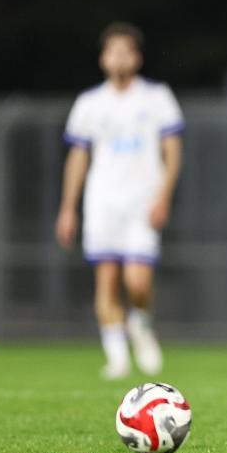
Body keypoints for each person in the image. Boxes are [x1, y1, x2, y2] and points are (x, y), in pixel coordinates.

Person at [55, 22, 184, 380]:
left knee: (138, 282)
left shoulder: (156, 97)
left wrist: (163, 195)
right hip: (102, 204)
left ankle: (140, 324)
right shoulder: (89, 103)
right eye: (113, 51)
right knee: (106, 281)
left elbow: (172, 151)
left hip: (142, 202)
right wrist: (68, 207)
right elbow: (78, 158)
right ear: (103, 58)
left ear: (138, 57)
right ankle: (117, 359)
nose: (120, 57)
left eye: (126, 51)